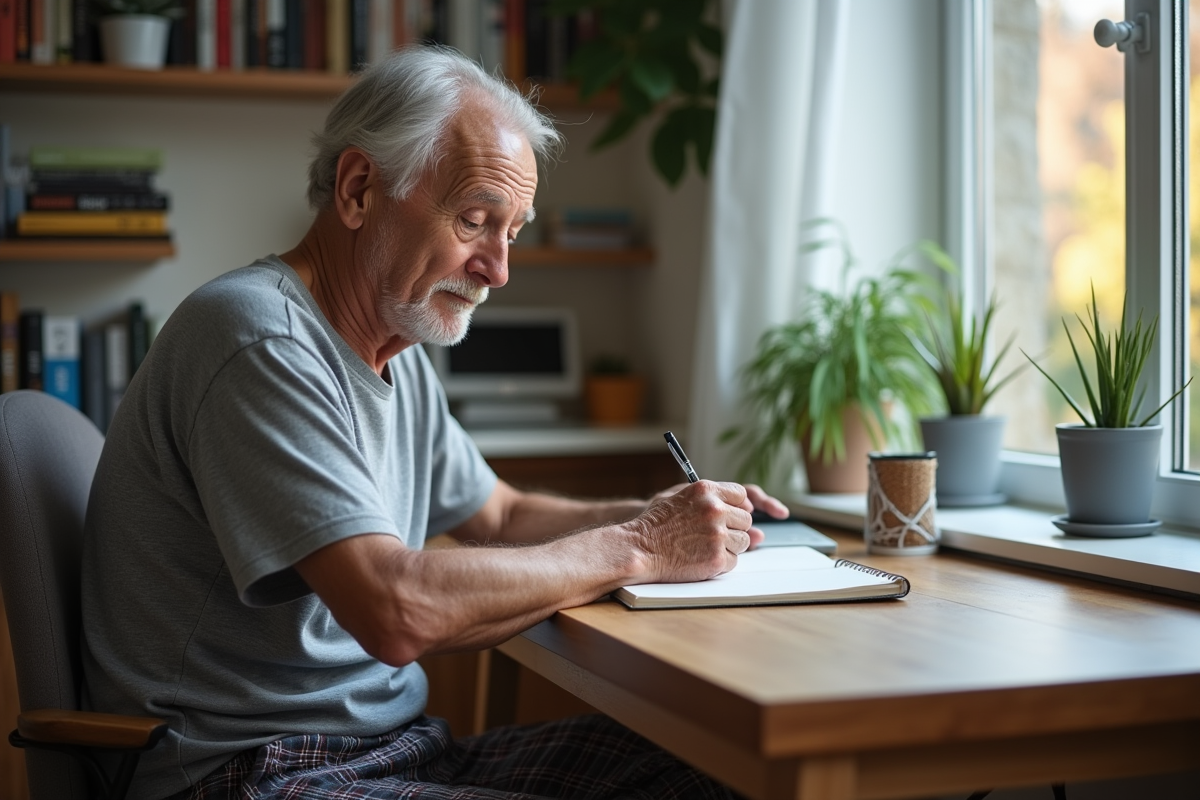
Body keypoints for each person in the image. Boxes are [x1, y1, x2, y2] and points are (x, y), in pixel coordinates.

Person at [80, 46, 787, 800]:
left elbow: (503, 512)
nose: (498, 269)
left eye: (513, 231)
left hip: (394, 751)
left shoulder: (397, 348)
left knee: (715, 773)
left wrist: (677, 522)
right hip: (251, 771)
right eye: (476, 220)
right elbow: (394, 608)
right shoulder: (258, 338)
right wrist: (640, 546)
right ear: (358, 190)